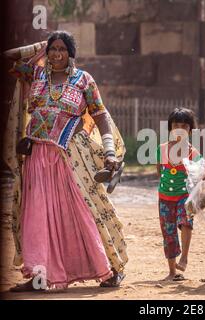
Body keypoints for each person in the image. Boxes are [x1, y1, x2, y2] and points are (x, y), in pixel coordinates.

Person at [3, 30, 128, 291]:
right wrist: (39, 44)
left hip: (71, 156)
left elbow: (101, 115)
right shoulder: (35, 75)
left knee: (82, 213)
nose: (56, 54)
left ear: (71, 54)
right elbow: (7, 58)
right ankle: (40, 277)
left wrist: (109, 152)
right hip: (37, 157)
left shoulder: (84, 80)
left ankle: (106, 270)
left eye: (62, 49)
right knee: (36, 216)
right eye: (52, 49)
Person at [156, 108, 201, 281]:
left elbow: (200, 177)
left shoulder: (193, 153)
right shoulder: (162, 149)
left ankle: (184, 258)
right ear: (170, 128)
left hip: (185, 196)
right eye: (176, 126)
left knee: (186, 223)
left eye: (184, 126)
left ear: (190, 130)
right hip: (165, 198)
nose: (179, 129)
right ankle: (172, 271)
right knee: (168, 234)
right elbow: (159, 172)